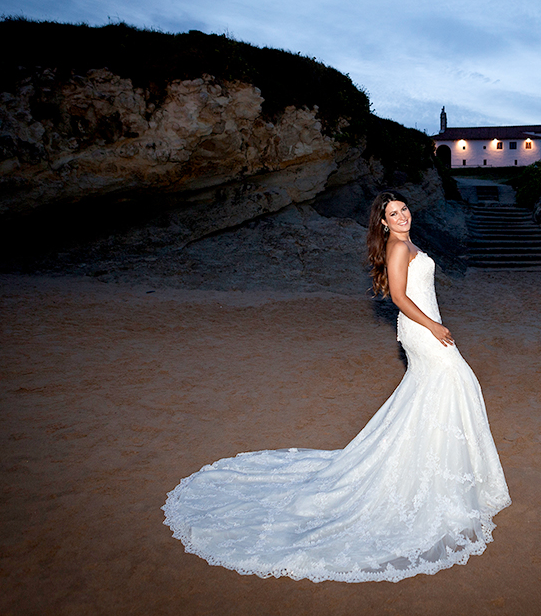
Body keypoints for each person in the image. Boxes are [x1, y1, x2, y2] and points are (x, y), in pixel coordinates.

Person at [162, 191, 510, 583]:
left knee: (438, 391)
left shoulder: (408, 240)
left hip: (425, 329)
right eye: (392, 214)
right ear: (382, 222)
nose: (401, 217)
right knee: (453, 381)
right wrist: (432, 326)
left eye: (403, 209)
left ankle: (449, 471)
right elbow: (398, 296)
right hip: (423, 331)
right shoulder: (398, 246)